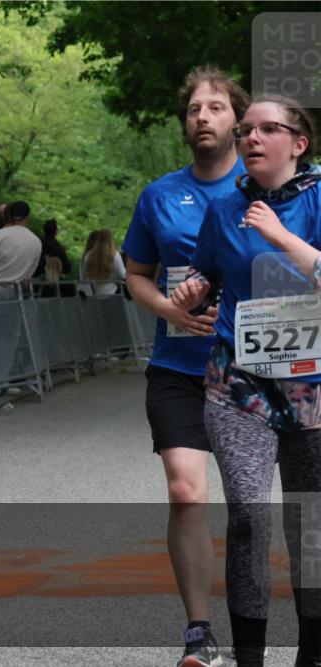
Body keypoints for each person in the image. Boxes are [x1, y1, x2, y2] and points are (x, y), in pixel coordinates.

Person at [172, 94, 320, 667]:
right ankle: (250, 658)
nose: (251, 138)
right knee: (249, 518)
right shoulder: (224, 209)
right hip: (239, 383)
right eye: (247, 130)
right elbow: (205, 271)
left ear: (298, 144)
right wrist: (193, 289)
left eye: (267, 129)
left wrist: (280, 234)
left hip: (313, 386)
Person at [122, 65, 249, 667]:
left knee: (254, 506)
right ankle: (199, 630)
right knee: (184, 492)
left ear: (239, 121)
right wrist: (168, 306)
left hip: (254, 368)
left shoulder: (268, 187)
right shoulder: (159, 195)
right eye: (195, 109)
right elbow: (136, 275)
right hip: (178, 366)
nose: (203, 117)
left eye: (216, 108)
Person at [0, 200, 42, 382]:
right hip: (15, 292)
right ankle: (2, 378)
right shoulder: (36, 241)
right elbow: (30, 272)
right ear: (27, 217)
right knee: (10, 335)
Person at [81, 229, 126, 296]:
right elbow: (122, 274)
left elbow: (84, 275)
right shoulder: (115, 255)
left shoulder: (88, 255)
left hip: (92, 293)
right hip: (112, 293)